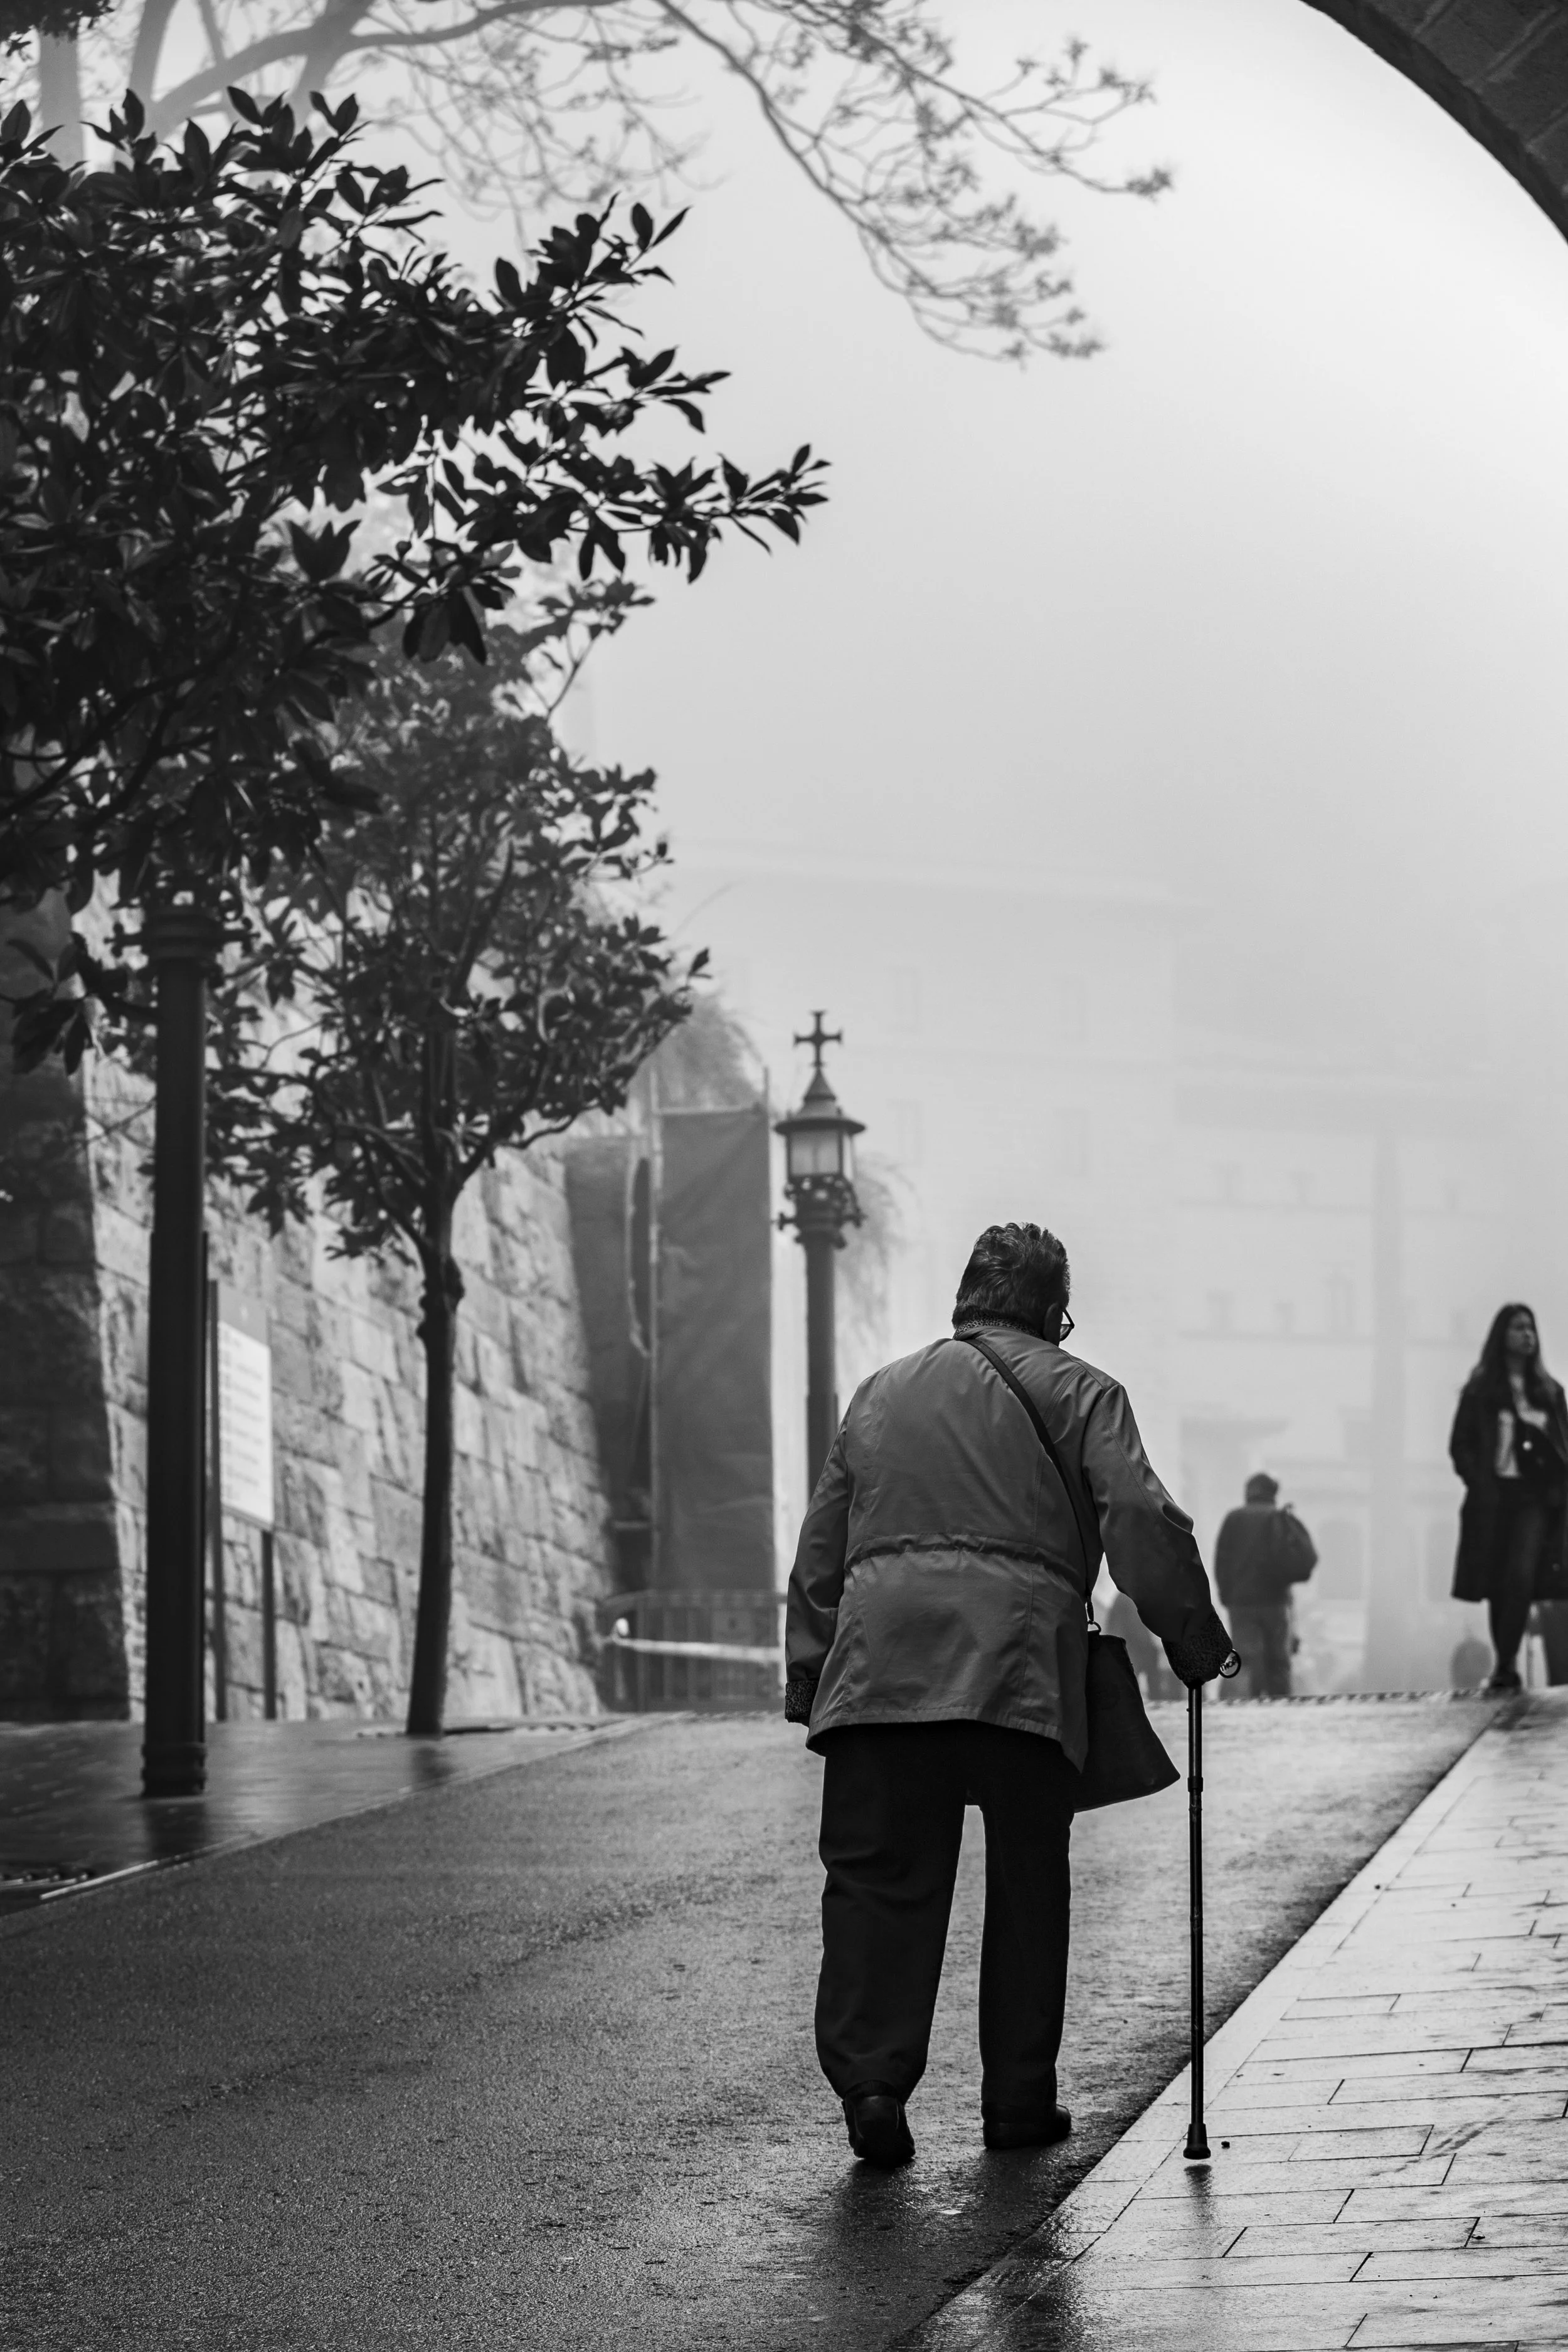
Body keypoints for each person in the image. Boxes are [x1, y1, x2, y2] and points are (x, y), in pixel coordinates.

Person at [783, 1221, 1234, 2170]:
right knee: (1029, 1880)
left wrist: (808, 1666)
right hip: (1018, 1666)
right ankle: (1018, 2101)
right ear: (1051, 1308)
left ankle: (871, 2084)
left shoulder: (881, 1393)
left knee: (876, 1878)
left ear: (968, 1296)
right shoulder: (1083, 1391)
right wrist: (1191, 1634)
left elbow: (823, 1544)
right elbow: (1141, 1520)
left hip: (880, 1669)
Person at [1450, 1303, 1568, 1694]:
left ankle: (1504, 1664)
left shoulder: (1550, 1393)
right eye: (1518, 1327)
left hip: (1534, 1497)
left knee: (1520, 1575)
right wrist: (1476, 1478)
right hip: (1493, 1496)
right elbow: (1461, 1444)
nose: (1527, 1335)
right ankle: (1506, 1663)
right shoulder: (1482, 1390)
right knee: (1498, 1582)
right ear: (1502, 1335)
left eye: (1531, 1327)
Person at [1213, 1473, 1317, 1699]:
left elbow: (1222, 1562)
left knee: (1244, 1658)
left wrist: (1226, 1596)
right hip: (1276, 1601)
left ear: (1250, 1491)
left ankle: (1240, 1704)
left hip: (1241, 1604)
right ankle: (1280, 1705)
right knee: (1278, 1660)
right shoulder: (1279, 1518)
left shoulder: (1234, 1519)